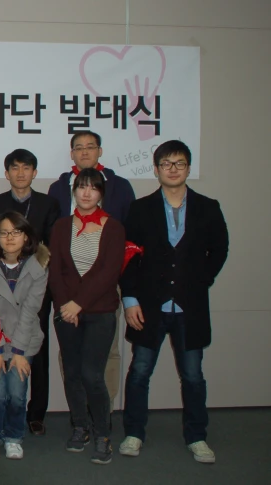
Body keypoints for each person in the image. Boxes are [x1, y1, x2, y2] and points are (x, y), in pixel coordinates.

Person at [118, 141, 229, 463]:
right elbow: (129, 258)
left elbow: (219, 250)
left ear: (188, 168)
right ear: (156, 169)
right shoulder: (140, 209)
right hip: (149, 305)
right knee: (139, 372)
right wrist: (130, 299)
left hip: (190, 306)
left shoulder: (208, 207)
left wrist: (201, 280)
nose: (173, 169)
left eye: (179, 163)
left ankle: (197, 436)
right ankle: (134, 432)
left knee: (193, 375)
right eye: (166, 164)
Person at [48, 131, 135, 413]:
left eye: (90, 147)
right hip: (67, 293)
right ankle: (79, 416)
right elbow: (54, 255)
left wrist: (82, 301)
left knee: (105, 355)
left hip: (104, 289)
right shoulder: (58, 187)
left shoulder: (120, 186)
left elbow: (123, 249)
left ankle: (102, 410)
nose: (84, 152)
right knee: (71, 359)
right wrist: (65, 302)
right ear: (71, 153)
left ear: (100, 151)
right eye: (78, 148)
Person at [48, 168, 125, 465]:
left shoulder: (114, 227)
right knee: (73, 373)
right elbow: (55, 270)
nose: (86, 192)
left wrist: (78, 304)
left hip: (100, 311)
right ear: (74, 191)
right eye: (81, 187)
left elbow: (108, 273)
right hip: (66, 311)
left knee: (93, 375)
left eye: (93, 187)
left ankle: (103, 432)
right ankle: (80, 426)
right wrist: (65, 305)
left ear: (101, 193)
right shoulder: (61, 226)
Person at [0, 149, 60, 435]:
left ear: (34, 172)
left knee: (35, 348)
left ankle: (36, 413)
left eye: (26, 168)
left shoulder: (48, 203)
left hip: (35, 287)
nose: (20, 173)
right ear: (6, 173)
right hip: (2, 286)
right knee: (1, 344)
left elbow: (51, 247)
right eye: (14, 168)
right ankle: (3, 409)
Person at [0, 211, 48, 460]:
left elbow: (30, 311)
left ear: (26, 236)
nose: (10, 237)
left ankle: (14, 436)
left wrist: (18, 352)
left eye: (16, 232)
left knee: (16, 394)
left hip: (23, 338)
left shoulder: (39, 265)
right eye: (4, 232)